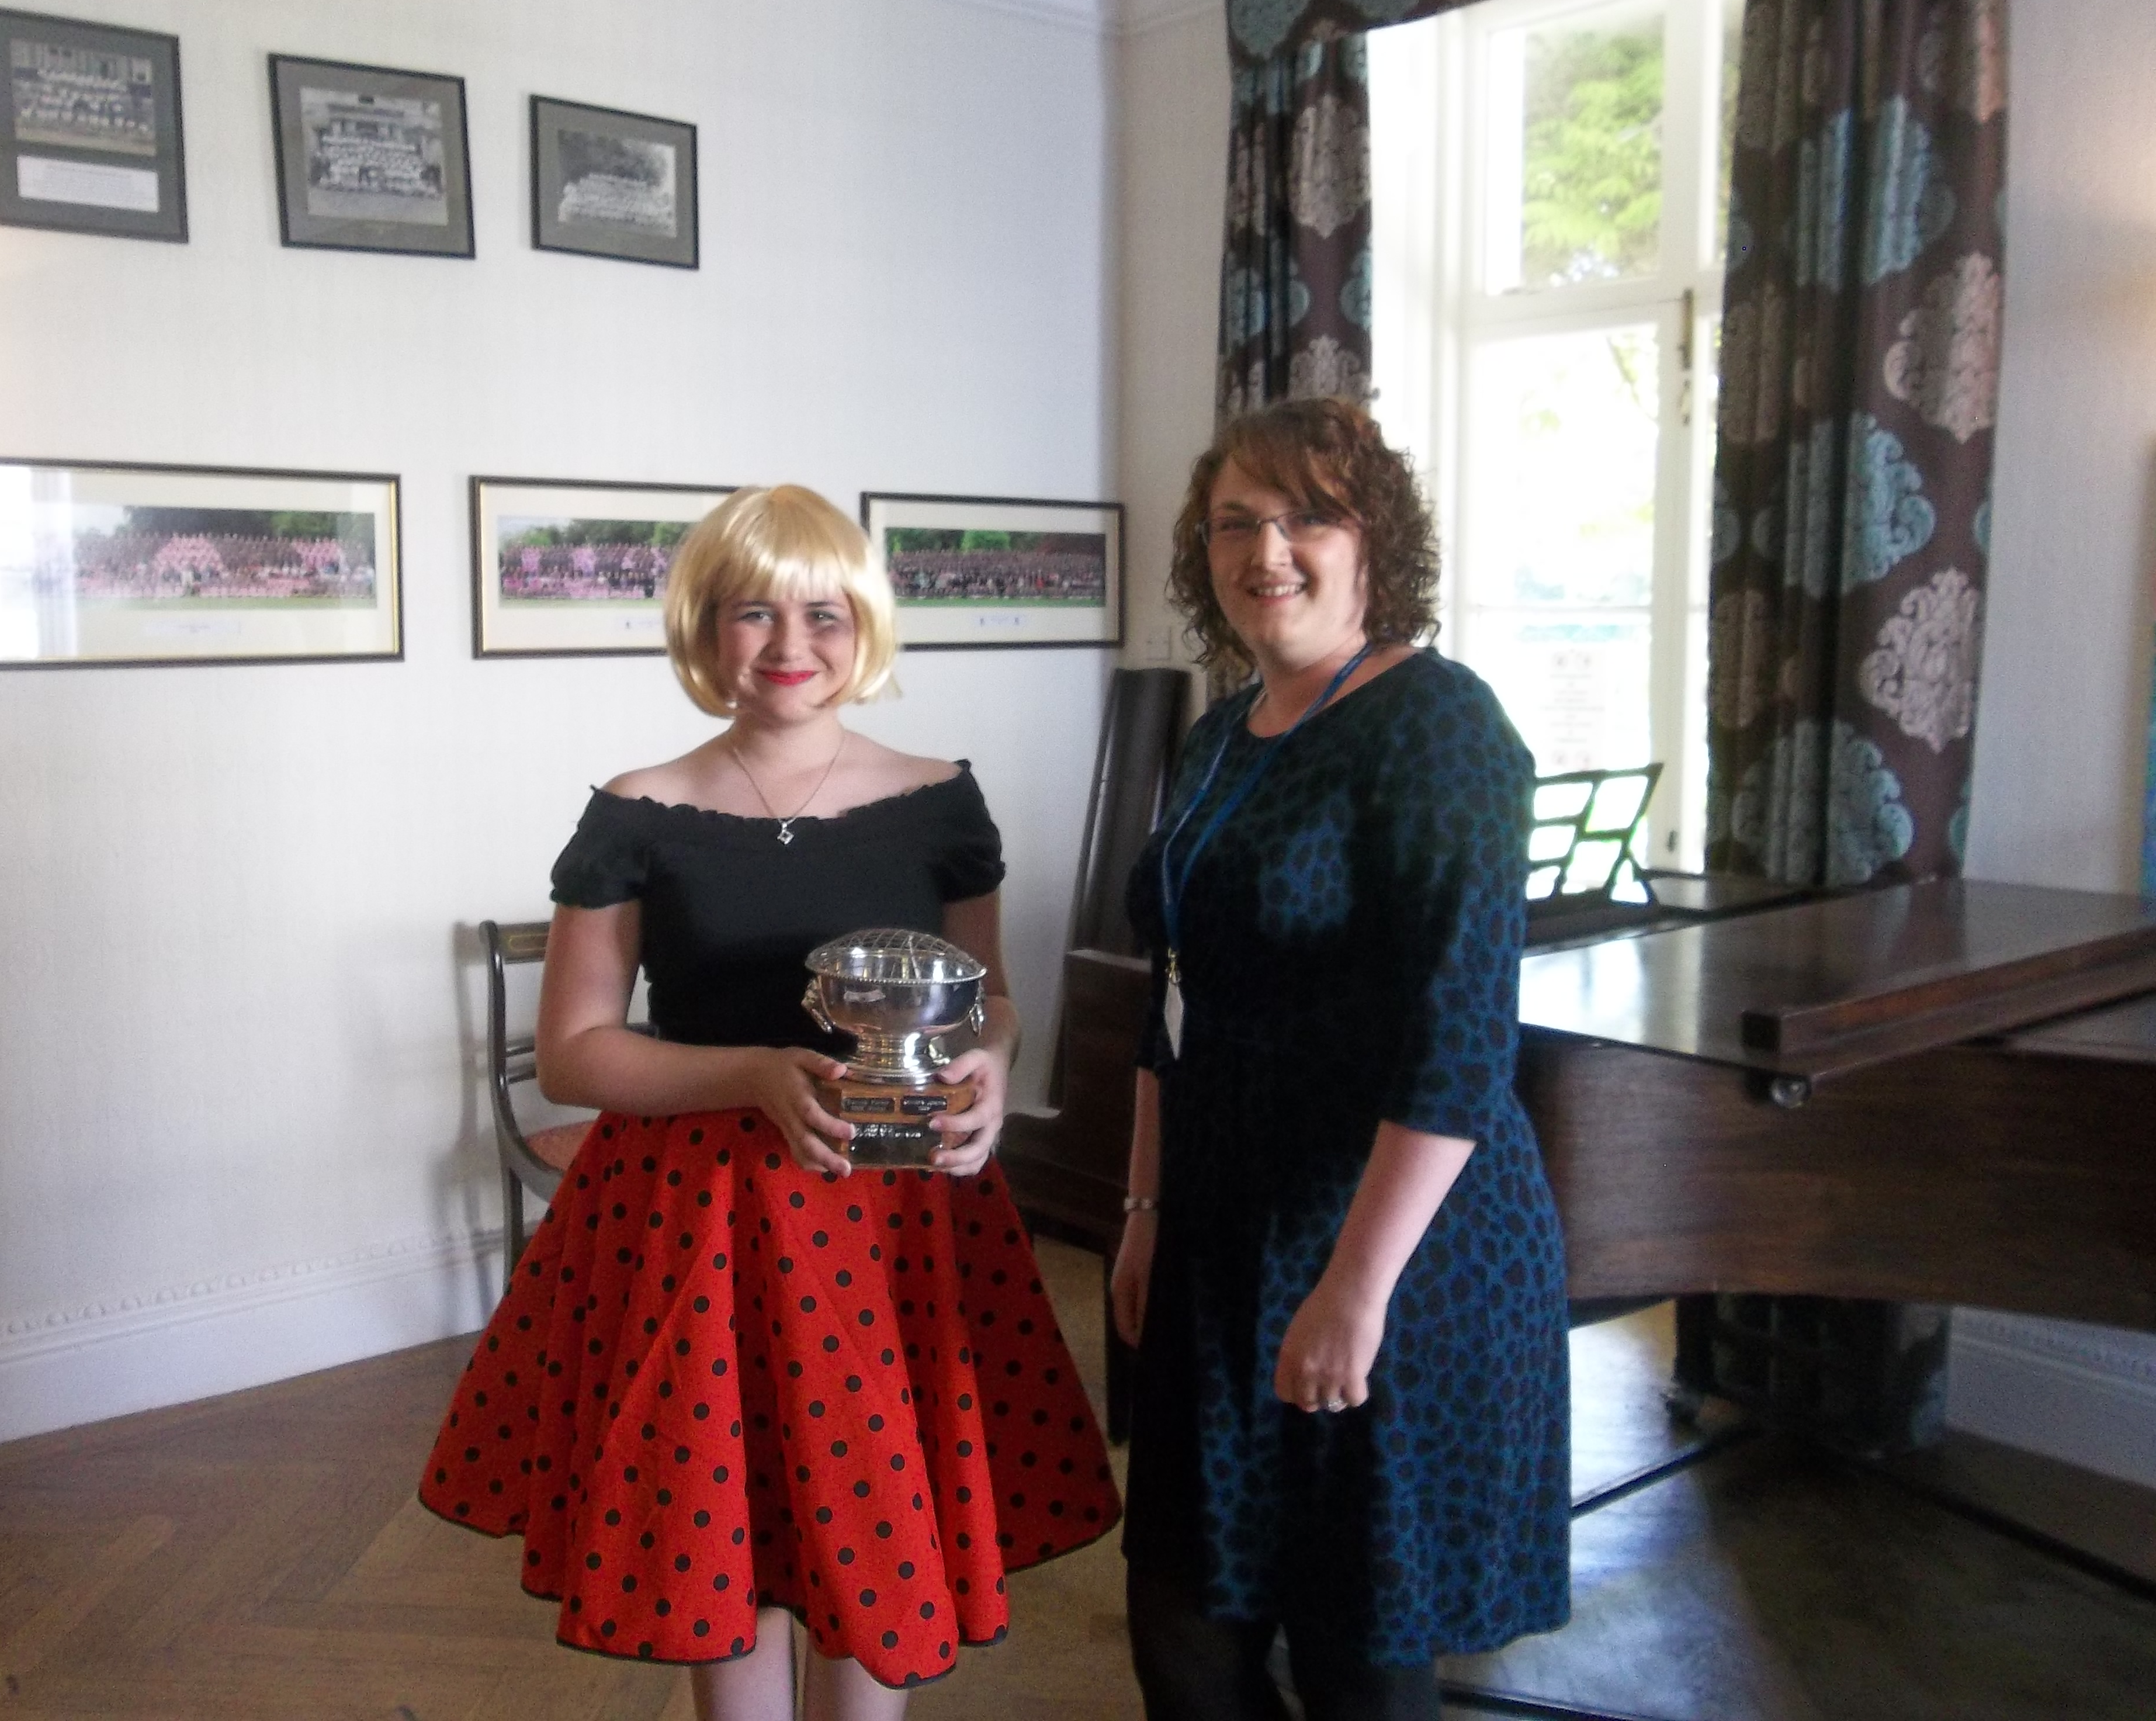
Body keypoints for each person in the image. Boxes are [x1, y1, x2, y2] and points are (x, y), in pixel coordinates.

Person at [420, 484, 1117, 1721]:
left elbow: (987, 1003)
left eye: (823, 614)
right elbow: (573, 1054)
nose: (791, 644)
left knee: (874, 1517)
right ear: (704, 629)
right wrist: (749, 1073)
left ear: (866, 627)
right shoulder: (637, 809)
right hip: (701, 1219)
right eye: (754, 613)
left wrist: (998, 1064)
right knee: (723, 1520)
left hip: (897, 1216)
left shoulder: (943, 801)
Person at [1110, 400, 1568, 1721]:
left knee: (1355, 1647)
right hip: (1220, 1233)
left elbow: (1460, 1040)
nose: (1267, 551)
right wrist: (1143, 1210)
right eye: (1234, 524)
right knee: (1185, 1631)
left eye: (1306, 517)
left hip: (1388, 1246)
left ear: (1376, 542)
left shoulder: (1439, 724)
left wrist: (1356, 1289)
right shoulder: (1220, 735)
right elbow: (1173, 993)